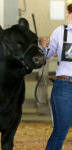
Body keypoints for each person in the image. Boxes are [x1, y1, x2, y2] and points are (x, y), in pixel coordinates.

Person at [41, 3, 72, 150]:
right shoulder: (60, 32)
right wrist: (45, 46)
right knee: (61, 131)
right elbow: (47, 56)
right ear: (68, 14)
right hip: (65, 85)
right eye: (70, 12)